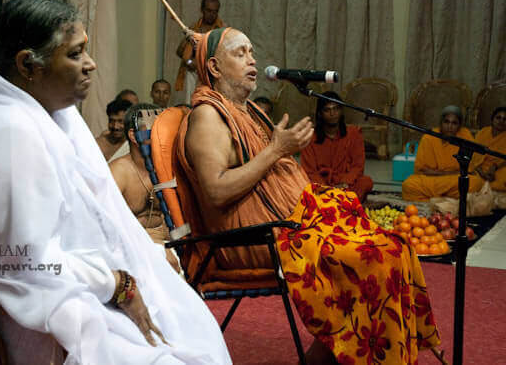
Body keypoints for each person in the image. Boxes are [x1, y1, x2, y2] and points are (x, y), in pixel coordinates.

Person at [0, 0, 230, 365]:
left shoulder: (45, 115)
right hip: (29, 295)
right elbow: (21, 261)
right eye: (76, 53)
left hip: (64, 279)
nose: (91, 64)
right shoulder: (7, 131)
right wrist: (118, 284)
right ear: (28, 65)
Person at [176, 27, 439, 364]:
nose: (252, 59)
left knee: (395, 246)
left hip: (292, 223)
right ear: (213, 67)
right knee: (375, 256)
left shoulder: (245, 111)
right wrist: (276, 150)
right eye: (240, 53)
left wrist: (280, 150)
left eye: (252, 52)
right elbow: (215, 191)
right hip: (257, 237)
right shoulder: (208, 117)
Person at [110, 103, 181, 273]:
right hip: (132, 250)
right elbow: (107, 227)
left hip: (172, 245)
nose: (162, 135)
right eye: (155, 130)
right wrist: (154, 249)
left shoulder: (171, 167)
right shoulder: (119, 172)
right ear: (134, 136)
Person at [300, 93, 373, 202]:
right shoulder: (310, 138)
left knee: (366, 182)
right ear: (320, 114)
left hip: (346, 184)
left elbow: (357, 167)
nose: (332, 113)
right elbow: (309, 171)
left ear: (341, 111)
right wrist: (326, 188)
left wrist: (344, 183)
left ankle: (338, 203)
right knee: (302, 186)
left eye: (336, 109)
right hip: (322, 185)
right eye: (327, 110)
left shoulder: (353, 133)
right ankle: (344, 204)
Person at [402, 105, 484, 201]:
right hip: (432, 180)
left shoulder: (464, 136)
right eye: (446, 122)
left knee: (475, 183)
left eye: (454, 123)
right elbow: (422, 170)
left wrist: (445, 173)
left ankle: (434, 199)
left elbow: (469, 169)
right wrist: (445, 173)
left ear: (459, 126)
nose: (450, 126)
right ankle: (447, 199)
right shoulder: (429, 137)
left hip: (453, 179)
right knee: (408, 185)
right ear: (441, 123)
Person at [175, 0, 225, 104]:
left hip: (211, 75)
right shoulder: (194, 29)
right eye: (209, 11)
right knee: (190, 105)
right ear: (202, 10)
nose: (212, 15)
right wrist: (190, 62)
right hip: (193, 74)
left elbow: (223, 56)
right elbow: (180, 52)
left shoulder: (221, 31)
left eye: (215, 11)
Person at [472, 106, 506, 191]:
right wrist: (482, 172)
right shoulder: (483, 132)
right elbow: (474, 155)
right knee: (471, 179)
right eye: (498, 118)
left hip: (499, 169)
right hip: (479, 167)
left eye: (505, 119)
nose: (501, 121)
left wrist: (494, 167)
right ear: (492, 119)